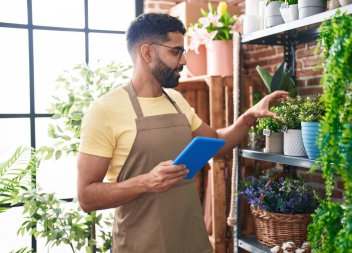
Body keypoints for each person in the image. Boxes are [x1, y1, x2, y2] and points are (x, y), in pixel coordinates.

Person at [77, 13, 288, 253]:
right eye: (176, 52)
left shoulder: (177, 100)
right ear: (147, 53)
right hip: (140, 246)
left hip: (191, 243)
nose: (184, 61)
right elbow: (86, 196)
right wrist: (147, 181)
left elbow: (216, 142)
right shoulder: (105, 110)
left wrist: (248, 117)